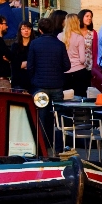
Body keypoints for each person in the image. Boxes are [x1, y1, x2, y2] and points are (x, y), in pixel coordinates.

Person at [27, 13, 70, 149]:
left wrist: (34, 79)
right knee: (58, 116)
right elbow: (67, 65)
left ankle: (42, 146)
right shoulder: (60, 45)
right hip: (57, 85)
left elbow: (30, 65)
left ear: (40, 30)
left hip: (40, 85)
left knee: (41, 116)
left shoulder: (34, 44)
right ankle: (58, 146)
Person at [62, 12, 93, 96]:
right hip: (79, 71)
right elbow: (82, 59)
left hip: (65, 72)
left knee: (66, 98)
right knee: (80, 98)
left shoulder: (59, 36)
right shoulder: (79, 37)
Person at [10, 20, 35, 90]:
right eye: (23, 29)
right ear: (20, 31)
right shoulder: (15, 46)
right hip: (18, 80)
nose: (26, 31)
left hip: (32, 79)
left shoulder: (35, 45)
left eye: (28, 29)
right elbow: (13, 64)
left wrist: (26, 64)